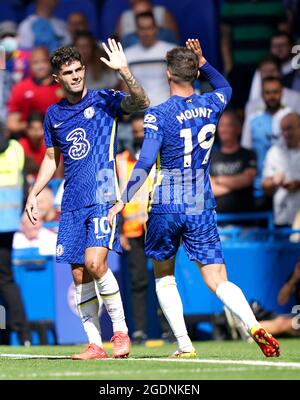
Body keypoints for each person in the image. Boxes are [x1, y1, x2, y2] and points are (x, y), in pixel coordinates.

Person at [108, 39, 280, 358]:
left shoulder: (158, 114)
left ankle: (184, 345)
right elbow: (225, 85)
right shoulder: (213, 103)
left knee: (163, 274)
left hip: (167, 202)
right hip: (199, 200)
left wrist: (123, 198)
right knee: (217, 278)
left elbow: (144, 163)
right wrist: (205, 62)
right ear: (195, 74)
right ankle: (254, 323)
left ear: (170, 75)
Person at [25, 40, 149, 360]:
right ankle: (95, 343)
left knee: (96, 263)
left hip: (103, 194)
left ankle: (120, 333)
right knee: (79, 273)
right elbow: (53, 159)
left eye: (79, 70)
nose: (76, 76)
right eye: (68, 72)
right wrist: (35, 191)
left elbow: (142, 101)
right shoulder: (54, 114)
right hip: (72, 200)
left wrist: (124, 70)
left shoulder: (105, 100)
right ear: (58, 78)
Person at [0, 122, 31, 345]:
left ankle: (4, 332)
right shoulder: (16, 149)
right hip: (8, 222)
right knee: (6, 280)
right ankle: (23, 334)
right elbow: (24, 185)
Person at [242, 77, 292, 202]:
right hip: (259, 185)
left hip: (289, 183)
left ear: (282, 93)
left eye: (275, 92)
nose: (272, 96)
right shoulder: (252, 119)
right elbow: (246, 149)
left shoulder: (293, 118)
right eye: (268, 93)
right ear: (262, 95)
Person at [6, 46, 64, 136]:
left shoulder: (63, 86)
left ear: (50, 63)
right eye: (35, 62)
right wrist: (32, 126)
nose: (40, 66)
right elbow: (12, 124)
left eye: (44, 61)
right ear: (30, 65)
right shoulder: (20, 88)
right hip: (28, 143)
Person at [124, 11, 175, 106]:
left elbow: (180, 81)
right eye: (142, 29)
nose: (146, 33)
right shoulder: (127, 54)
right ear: (136, 31)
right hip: (139, 111)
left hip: (168, 107)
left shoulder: (172, 50)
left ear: (156, 29)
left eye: (149, 28)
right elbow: (125, 87)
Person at [210, 111, 257, 214]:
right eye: (222, 125)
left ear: (238, 129)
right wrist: (237, 186)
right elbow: (208, 189)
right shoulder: (209, 157)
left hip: (246, 221)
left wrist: (217, 180)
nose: (225, 129)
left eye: (229, 125)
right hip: (218, 223)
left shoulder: (248, 154)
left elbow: (247, 179)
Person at [262, 112, 300, 226]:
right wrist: (273, 182)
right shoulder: (274, 152)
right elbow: (266, 187)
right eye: (283, 130)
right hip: (282, 218)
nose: (286, 133)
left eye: (289, 128)